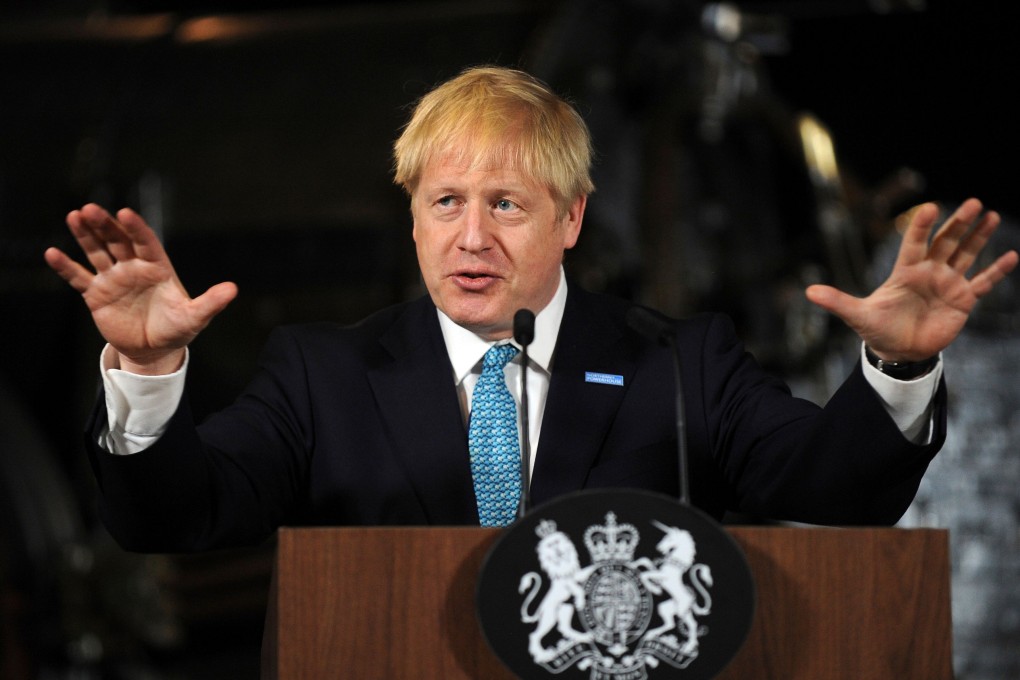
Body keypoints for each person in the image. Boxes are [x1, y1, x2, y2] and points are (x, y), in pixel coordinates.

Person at [44, 66, 1017, 552]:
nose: (473, 237)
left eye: (505, 203)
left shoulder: (681, 366)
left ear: (571, 218)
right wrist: (147, 373)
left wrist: (895, 371)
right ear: (414, 219)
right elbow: (173, 517)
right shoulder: (321, 372)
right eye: (446, 203)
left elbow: (832, 491)